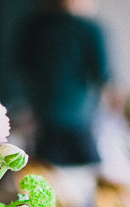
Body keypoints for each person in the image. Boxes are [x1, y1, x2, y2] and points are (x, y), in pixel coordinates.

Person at [15, 0, 112, 166]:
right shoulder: (90, 29)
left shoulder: (32, 27)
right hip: (78, 120)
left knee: (45, 174)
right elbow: (104, 77)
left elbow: (21, 69)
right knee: (91, 173)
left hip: (45, 120)